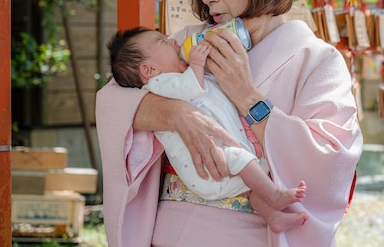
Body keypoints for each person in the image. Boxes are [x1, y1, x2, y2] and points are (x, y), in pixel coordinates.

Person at [96, 0, 363, 247]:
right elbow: (112, 99)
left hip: (250, 244)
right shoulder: (188, 42)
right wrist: (175, 113)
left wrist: (249, 98)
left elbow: (331, 161)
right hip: (166, 236)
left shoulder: (316, 60)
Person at [106, 26, 309, 233]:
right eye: (164, 42)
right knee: (244, 162)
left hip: (217, 160)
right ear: (149, 70)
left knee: (251, 183)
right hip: (206, 166)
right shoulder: (160, 84)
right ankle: (274, 195)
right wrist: (196, 63)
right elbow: (191, 89)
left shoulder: (177, 77)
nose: (174, 42)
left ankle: (273, 217)